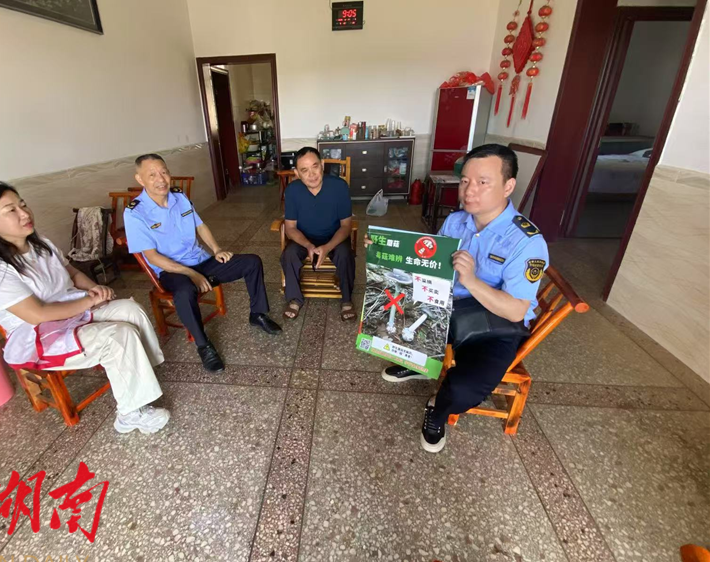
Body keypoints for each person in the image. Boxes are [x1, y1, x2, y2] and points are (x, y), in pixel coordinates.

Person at [373, 144, 548, 453]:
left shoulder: (526, 242)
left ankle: (437, 409)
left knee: (465, 390)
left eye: (483, 182)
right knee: (390, 316)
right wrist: (384, 251)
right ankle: (421, 363)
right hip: (447, 306)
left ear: (508, 186)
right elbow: (431, 265)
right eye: (465, 181)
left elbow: (515, 311)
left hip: (493, 325)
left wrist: (472, 281)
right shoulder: (456, 222)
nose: (469, 190)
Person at [0, 182, 170, 435]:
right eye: (11, 210)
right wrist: (89, 301)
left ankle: (141, 374)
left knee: (131, 310)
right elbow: (37, 314)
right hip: (40, 335)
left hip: (74, 310)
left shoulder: (40, 244)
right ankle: (130, 414)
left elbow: (72, 273)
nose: (24, 214)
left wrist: (94, 289)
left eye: (23, 205)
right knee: (118, 335)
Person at [124, 153, 281, 373]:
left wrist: (217, 250)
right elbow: (152, 257)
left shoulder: (179, 197)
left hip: (201, 260)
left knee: (252, 262)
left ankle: (258, 314)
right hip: (172, 271)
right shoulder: (135, 213)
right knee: (184, 292)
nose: (161, 179)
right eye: (152, 175)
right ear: (140, 179)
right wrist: (191, 274)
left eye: (164, 172)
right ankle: (203, 345)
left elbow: (200, 226)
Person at [281, 147, 356, 321]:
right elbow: (290, 227)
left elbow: (346, 226)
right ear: (297, 173)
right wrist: (308, 245)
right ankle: (295, 298)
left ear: (322, 164)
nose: (312, 175)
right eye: (304, 170)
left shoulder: (339, 186)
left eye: (315, 167)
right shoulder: (292, 190)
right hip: (304, 237)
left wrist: (328, 247)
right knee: (289, 254)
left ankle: (346, 299)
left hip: (334, 236)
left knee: (345, 254)